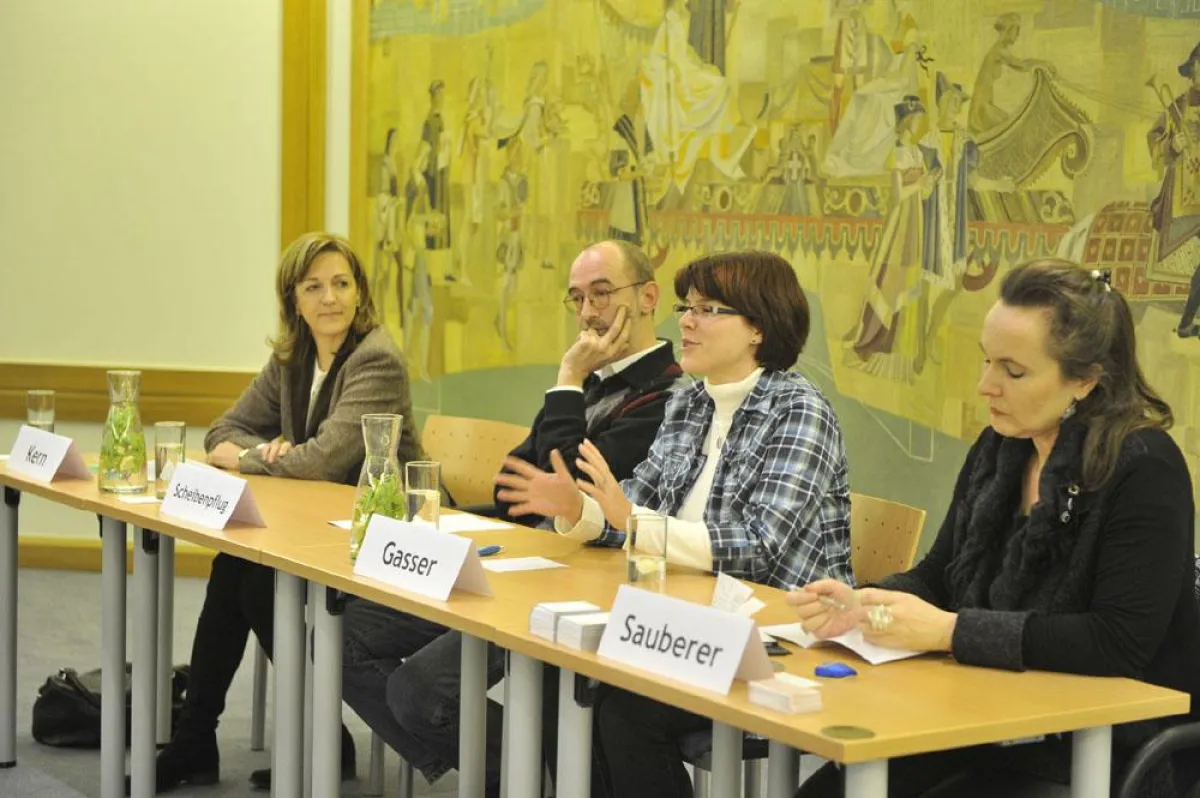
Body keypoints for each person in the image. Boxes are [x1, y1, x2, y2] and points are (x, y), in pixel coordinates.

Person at [793, 260, 1200, 798]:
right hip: (985, 720)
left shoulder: (1144, 466)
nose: (986, 387)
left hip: (1097, 747)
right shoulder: (1001, 446)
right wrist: (868, 604)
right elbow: (940, 576)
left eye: (1013, 371)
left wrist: (948, 632)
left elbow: (1117, 643)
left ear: (1085, 379)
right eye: (987, 362)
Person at [497, 250, 852, 798]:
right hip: (684, 617)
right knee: (564, 678)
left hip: (774, 636)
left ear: (757, 326)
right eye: (687, 306)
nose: (685, 321)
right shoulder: (691, 404)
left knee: (625, 712)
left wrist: (629, 520)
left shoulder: (799, 409)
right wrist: (578, 510)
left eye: (708, 309)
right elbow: (633, 509)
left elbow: (757, 547)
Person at [340, 240, 681, 798]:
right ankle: (526, 774)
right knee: (343, 632)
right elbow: (513, 486)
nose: (588, 313)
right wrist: (570, 394)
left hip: (578, 587)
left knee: (419, 691)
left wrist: (568, 376)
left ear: (648, 297)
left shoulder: (666, 395)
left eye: (601, 294)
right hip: (522, 566)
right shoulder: (592, 380)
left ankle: (533, 776)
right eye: (576, 298)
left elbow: (567, 486)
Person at [131, 233, 422, 794]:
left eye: (341, 283)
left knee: (253, 579)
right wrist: (254, 452)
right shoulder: (294, 356)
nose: (330, 298)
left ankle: (268, 737)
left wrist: (260, 459)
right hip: (310, 526)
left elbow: (322, 460)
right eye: (313, 287)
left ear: (360, 292)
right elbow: (223, 429)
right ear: (293, 300)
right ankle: (208, 737)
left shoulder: (376, 359)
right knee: (237, 567)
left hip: (381, 534)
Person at [1146, 41, 1200, 339]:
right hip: (1185, 199)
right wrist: (1172, 145)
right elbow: (1154, 139)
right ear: (1192, 71)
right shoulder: (1177, 106)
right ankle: (1186, 322)